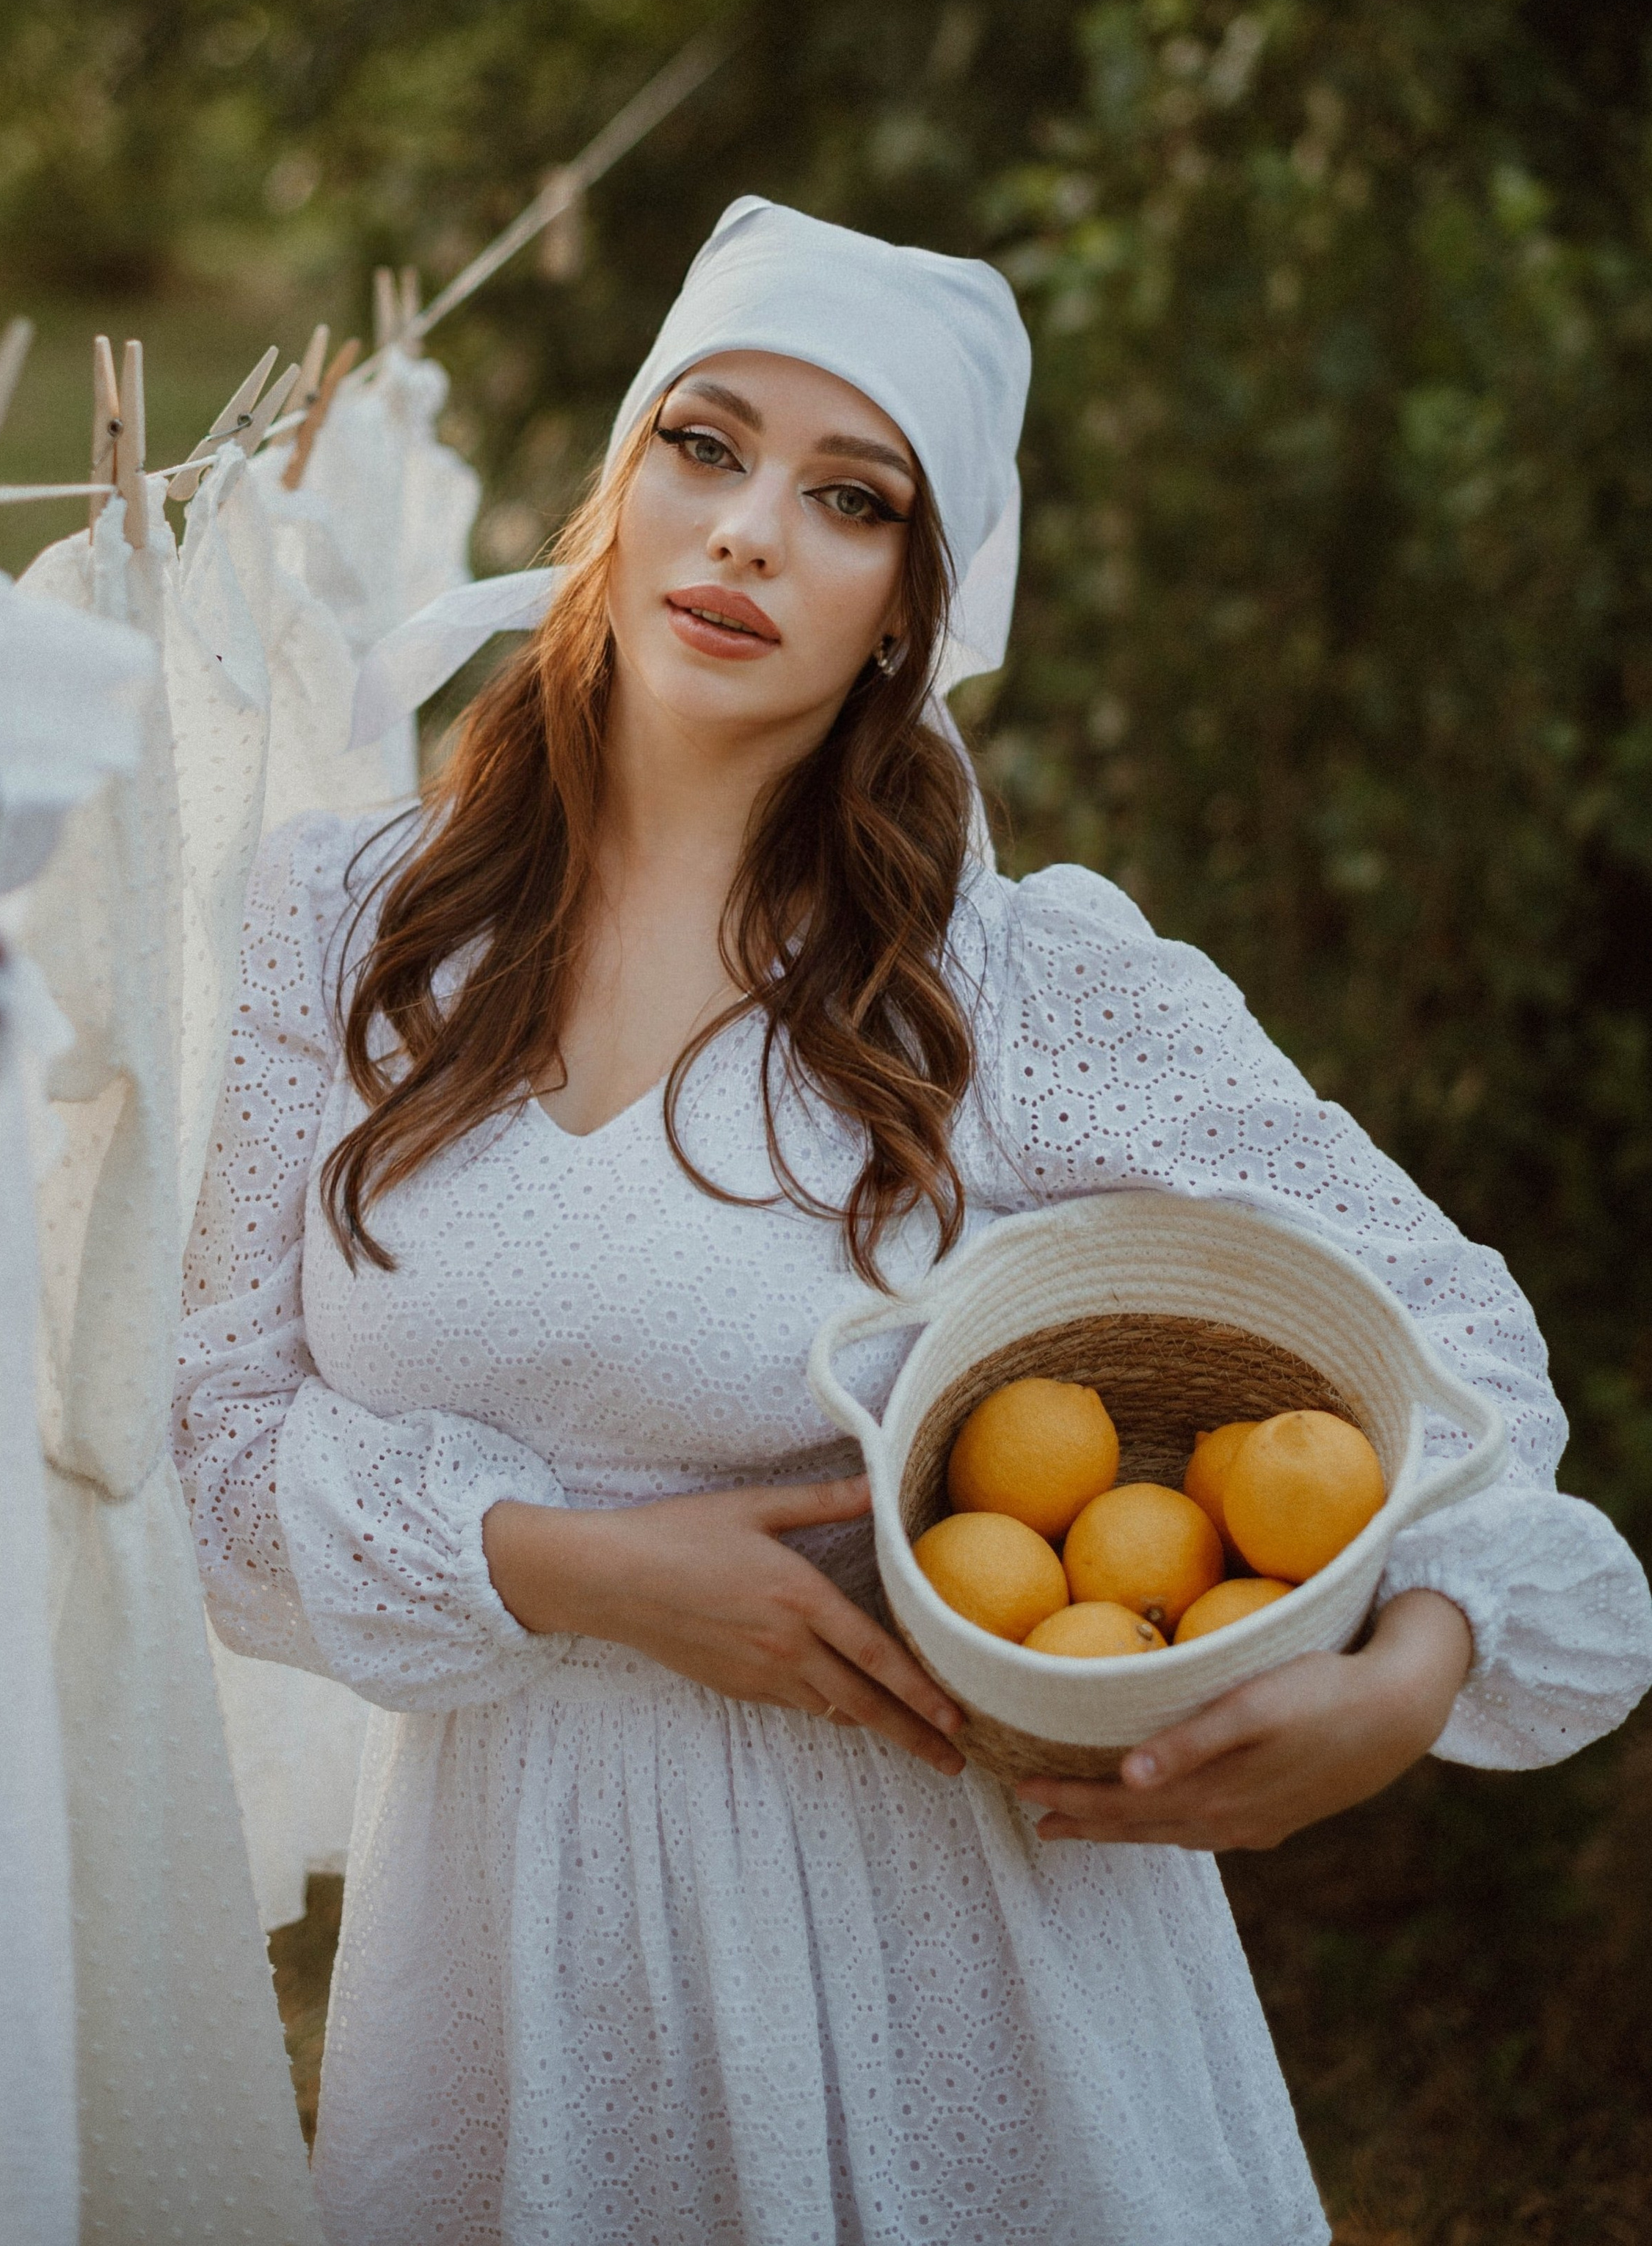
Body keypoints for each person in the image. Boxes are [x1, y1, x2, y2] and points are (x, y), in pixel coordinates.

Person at [175, 197, 1652, 2246]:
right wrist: (586, 1570)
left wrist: (1412, 1670)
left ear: (907, 607)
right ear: (618, 477)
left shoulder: (1021, 994)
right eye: (705, 444)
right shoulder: (342, 930)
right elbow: (206, 1456)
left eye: (847, 495)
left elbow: (1454, 1353)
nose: (752, 527)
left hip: (944, 1942)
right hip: (515, 1950)